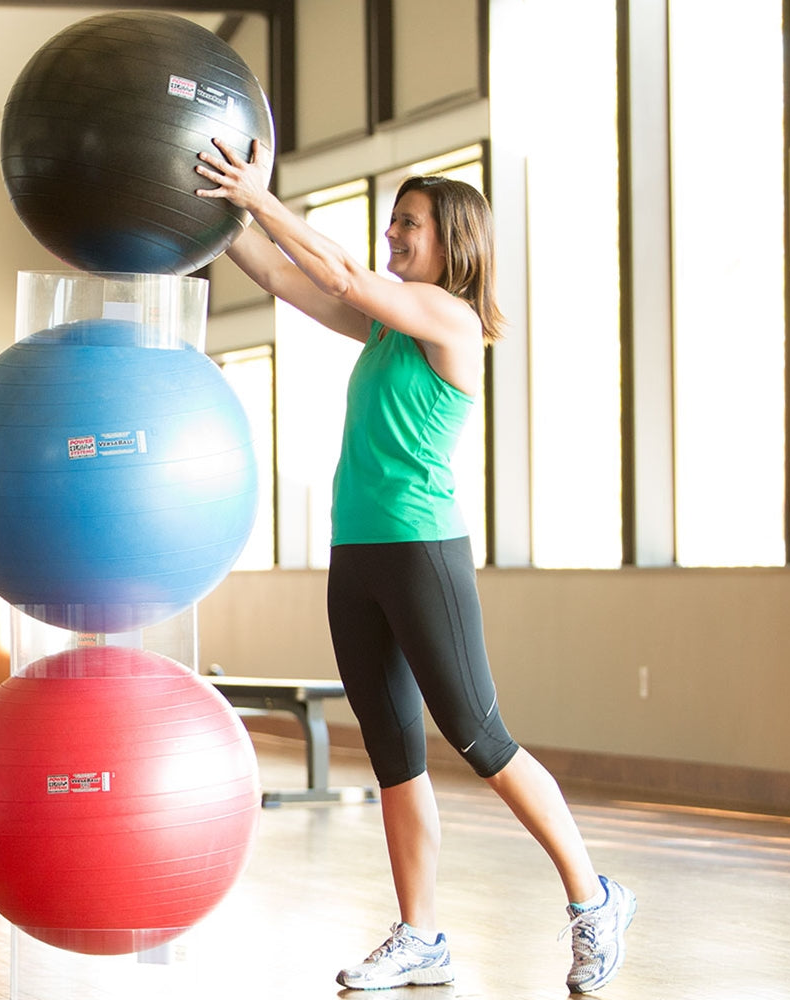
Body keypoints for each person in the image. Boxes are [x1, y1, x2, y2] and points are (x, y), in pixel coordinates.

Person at [195, 140, 637, 994]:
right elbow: (289, 281)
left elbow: (342, 277)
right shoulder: (389, 325)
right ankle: (422, 936)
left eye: (410, 223)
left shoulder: (450, 321)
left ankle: (594, 899)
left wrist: (263, 194)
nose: (393, 233)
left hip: (421, 550)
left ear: (452, 243)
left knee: (481, 738)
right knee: (395, 752)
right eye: (392, 221)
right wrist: (213, 220)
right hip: (357, 552)